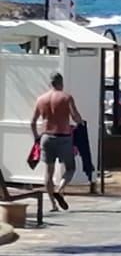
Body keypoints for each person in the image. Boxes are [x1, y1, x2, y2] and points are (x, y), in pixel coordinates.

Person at [30, 72, 84, 211]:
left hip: (46, 137)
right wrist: (80, 122)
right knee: (70, 168)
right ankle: (60, 189)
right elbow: (75, 116)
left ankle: (53, 204)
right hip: (64, 137)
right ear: (61, 83)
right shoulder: (66, 97)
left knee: (49, 172)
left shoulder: (41, 99)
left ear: (50, 83)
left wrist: (37, 137)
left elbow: (33, 122)